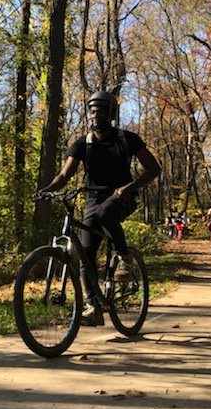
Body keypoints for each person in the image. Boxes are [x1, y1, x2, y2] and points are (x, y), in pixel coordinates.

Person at [37, 90, 161, 325]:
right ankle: (94, 307)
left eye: (101, 110)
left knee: (106, 213)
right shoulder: (83, 143)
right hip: (92, 199)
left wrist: (130, 187)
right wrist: (47, 189)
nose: (95, 114)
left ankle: (125, 257)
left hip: (122, 195)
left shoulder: (128, 139)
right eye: (92, 110)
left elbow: (154, 169)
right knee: (86, 253)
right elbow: (65, 174)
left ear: (111, 113)